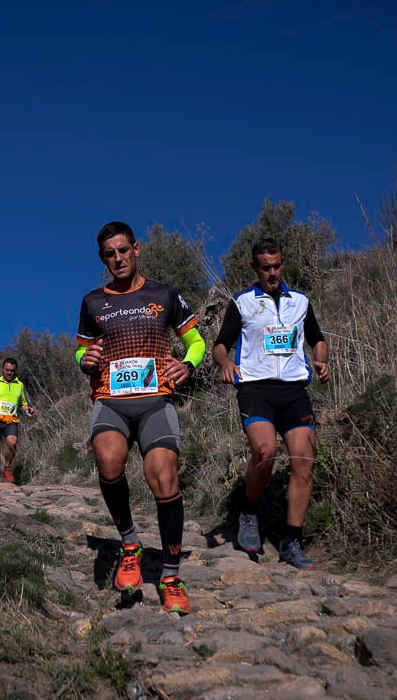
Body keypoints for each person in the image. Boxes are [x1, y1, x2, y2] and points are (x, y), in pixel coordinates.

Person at [76, 221, 206, 613]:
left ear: (136, 249)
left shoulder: (164, 295)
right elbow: (81, 351)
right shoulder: (92, 302)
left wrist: (188, 364)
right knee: (108, 460)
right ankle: (130, 544)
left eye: (123, 250)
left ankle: (170, 576)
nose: (117, 258)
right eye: (109, 254)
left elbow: (195, 341)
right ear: (103, 259)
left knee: (163, 478)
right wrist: (86, 359)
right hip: (111, 400)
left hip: (155, 401)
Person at [211, 238, 330, 570]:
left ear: (283, 263)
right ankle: (249, 511)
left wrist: (322, 360)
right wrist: (225, 363)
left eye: (277, 266)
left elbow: (317, 338)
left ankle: (291, 542)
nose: (273, 273)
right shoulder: (242, 303)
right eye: (266, 268)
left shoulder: (300, 302)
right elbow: (220, 345)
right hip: (255, 388)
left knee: (304, 460)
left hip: (293, 390)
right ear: (255, 268)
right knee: (265, 451)